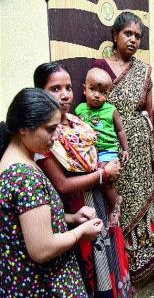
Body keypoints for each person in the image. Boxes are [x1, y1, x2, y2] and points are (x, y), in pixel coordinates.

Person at [33, 62, 131, 297]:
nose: (65, 94)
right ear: (39, 93)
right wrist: (103, 175)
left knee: (111, 258)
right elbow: (63, 186)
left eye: (68, 87)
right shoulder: (44, 134)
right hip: (77, 211)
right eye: (55, 89)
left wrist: (106, 175)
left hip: (100, 201)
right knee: (92, 268)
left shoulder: (78, 122)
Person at [0, 88, 103, 297]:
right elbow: (42, 249)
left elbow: (26, 220)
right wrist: (80, 232)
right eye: (50, 129)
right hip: (45, 286)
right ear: (23, 128)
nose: (56, 136)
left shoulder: (16, 161)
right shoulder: (25, 177)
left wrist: (72, 218)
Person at [91, 11, 154, 283]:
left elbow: (149, 111)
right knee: (116, 203)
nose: (133, 40)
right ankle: (122, 271)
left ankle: (148, 268)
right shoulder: (100, 68)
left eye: (138, 36)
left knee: (143, 201)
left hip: (139, 148)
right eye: (128, 34)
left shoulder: (143, 71)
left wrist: (153, 149)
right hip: (111, 147)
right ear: (115, 35)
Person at [75, 68, 128, 227]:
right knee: (95, 178)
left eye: (102, 92)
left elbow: (120, 130)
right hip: (90, 152)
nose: (97, 95)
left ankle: (114, 206)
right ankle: (109, 201)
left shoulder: (111, 110)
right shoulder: (80, 109)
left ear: (108, 93)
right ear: (84, 89)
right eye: (92, 90)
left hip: (108, 150)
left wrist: (125, 149)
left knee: (107, 178)